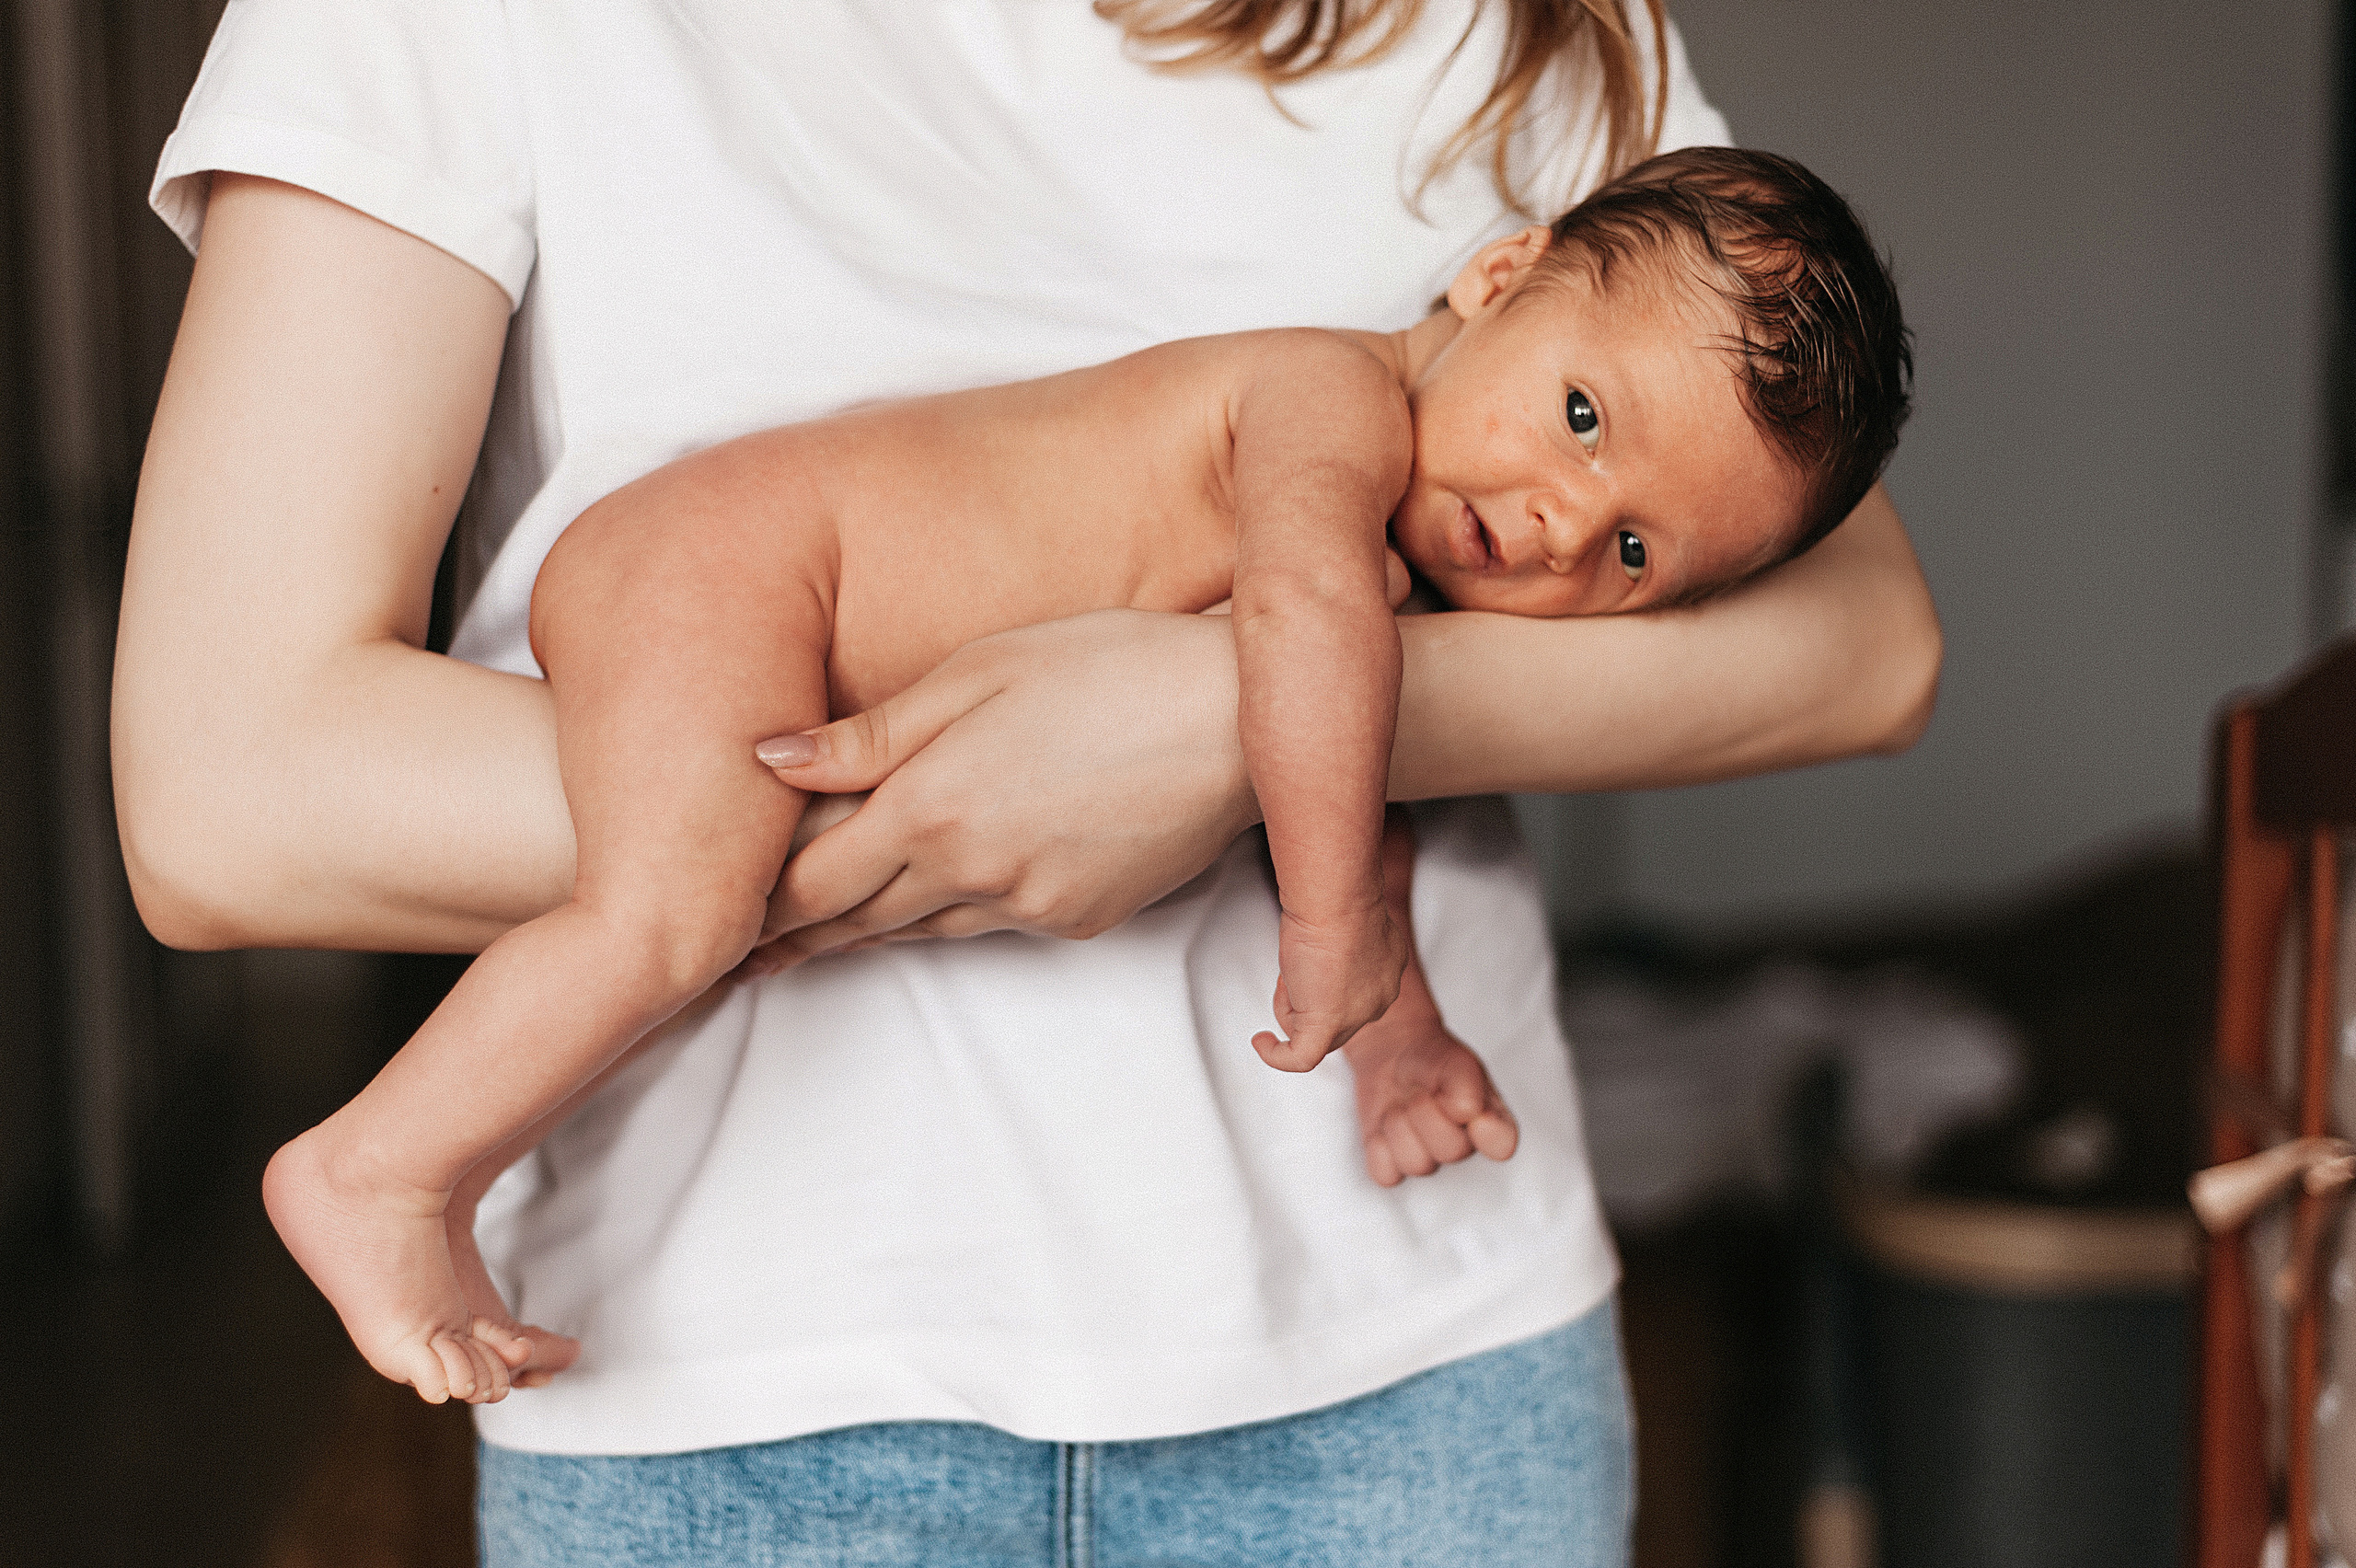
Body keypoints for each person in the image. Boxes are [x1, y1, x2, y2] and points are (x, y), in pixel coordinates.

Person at [118, 2, 1940, 1561]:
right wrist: (1226, 837)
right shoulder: (1327, 407)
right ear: (1488, 281)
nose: (1560, 523)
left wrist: (1310, 910)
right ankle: (380, 1166)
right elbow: (226, 800)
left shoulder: (1514, 57)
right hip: (737, 1362)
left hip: (1410, 1378)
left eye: (1628, 559)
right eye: (1571, 423)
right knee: (667, 904)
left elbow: (1857, 644)